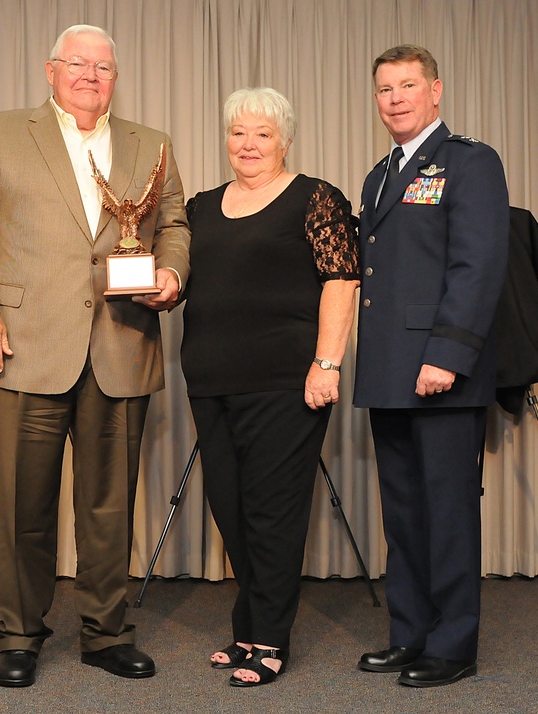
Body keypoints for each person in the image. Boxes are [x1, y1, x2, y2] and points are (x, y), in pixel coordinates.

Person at [0, 24, 190, 688]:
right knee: (23, 505)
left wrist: (171, 274)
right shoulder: (2, 131)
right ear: (50, 71)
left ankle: (107, 633)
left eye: (104, 67)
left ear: (116, 77)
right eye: (78, 64)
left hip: (122, 341)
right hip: (25, 349)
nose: (91, 75)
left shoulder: (151, 143)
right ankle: (19, 635)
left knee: (110, 508)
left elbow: (173, 225)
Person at [181, 87, 359, 687]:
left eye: (262, 133)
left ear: (285, 139)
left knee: (272, 512)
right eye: (238, 133)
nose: (249, 144)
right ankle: (246, 627)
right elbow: (180, 280)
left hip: (287, 383)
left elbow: (341, 281)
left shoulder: (316, 198)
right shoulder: (201, 206)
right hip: (210, 381)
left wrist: (327, 364)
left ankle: (271, 639)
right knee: (230, 510)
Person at [353, 45, 509, 688]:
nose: (395, 98)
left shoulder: (470, 162)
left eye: (408, 85)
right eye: (385, 88)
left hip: (441, 368)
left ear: (435, 90)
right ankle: (409, 633)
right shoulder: (378, 175)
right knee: (405, 513)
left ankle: (453, 644)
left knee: (447, 512)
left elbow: (478, 266)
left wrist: (446, 354)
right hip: (389, 368)